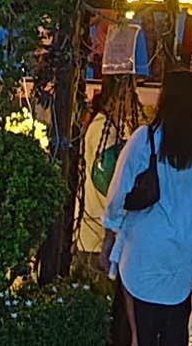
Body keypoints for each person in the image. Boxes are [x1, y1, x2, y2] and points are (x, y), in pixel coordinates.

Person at [105, 70, 192, 346]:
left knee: (138, 331)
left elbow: (118, 192)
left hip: (145, 247)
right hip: (185, 252)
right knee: (174, 327)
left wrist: (111, 230)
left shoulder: (146, 138)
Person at [79, 79, 144, 261]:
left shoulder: (114, 128)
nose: (136, 100)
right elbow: (107, 180)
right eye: (132, 93)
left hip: (100, 233)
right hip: (96, 235)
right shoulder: (102, 129)